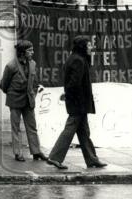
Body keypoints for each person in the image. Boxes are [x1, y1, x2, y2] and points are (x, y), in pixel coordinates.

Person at [46, 36, 108, 170]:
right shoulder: (78, 61)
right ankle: (55, 157)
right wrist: (78, 102)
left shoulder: (76, 58)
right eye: (89, 45)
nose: (91, 48)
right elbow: (74, 83)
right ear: (82, 47)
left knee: (84, 132)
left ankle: (92, 159)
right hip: (78, 103)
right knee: (69, 129)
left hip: (78, 103)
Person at [0, 40, 44, 162]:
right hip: (15, 101)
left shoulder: (33, 64)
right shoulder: (11, 66)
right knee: (16, 127)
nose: (32, 52)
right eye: (29, 50)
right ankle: (17, 153)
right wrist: (13, 94)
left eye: (32, 50)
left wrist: (33, 94)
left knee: (32, 127)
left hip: (28, 100)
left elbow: (35, 83)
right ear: (22, 52)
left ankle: (36, 152)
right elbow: (3, 85)